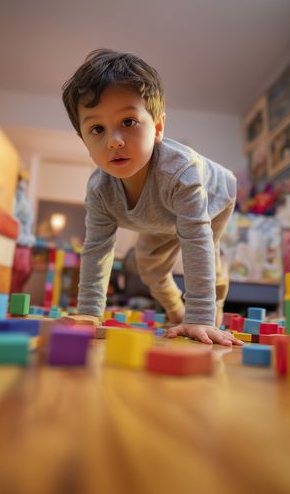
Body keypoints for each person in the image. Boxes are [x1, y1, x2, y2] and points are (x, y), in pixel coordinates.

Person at [61, 49, 242, 346]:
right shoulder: (99, 191)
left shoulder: (181, 173)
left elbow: (195, 240)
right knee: (147, 265)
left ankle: (205, 313)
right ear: (84, 142)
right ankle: (176, 310)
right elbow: (97, 249)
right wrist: (90, 313)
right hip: (160, 215)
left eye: (128, 122)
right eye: (97, 129)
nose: (114, 140)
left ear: (157, 128)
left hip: (215, 196)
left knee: (206, 248)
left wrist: (200, 315)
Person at [10, 169, 36, 294]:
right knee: (14, 282)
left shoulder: (22, 199)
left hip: (22, 245)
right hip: (19, 244)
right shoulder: (16, 197)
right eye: (22, 180)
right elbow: (12, 218)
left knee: (19, 279)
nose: (24, 183)